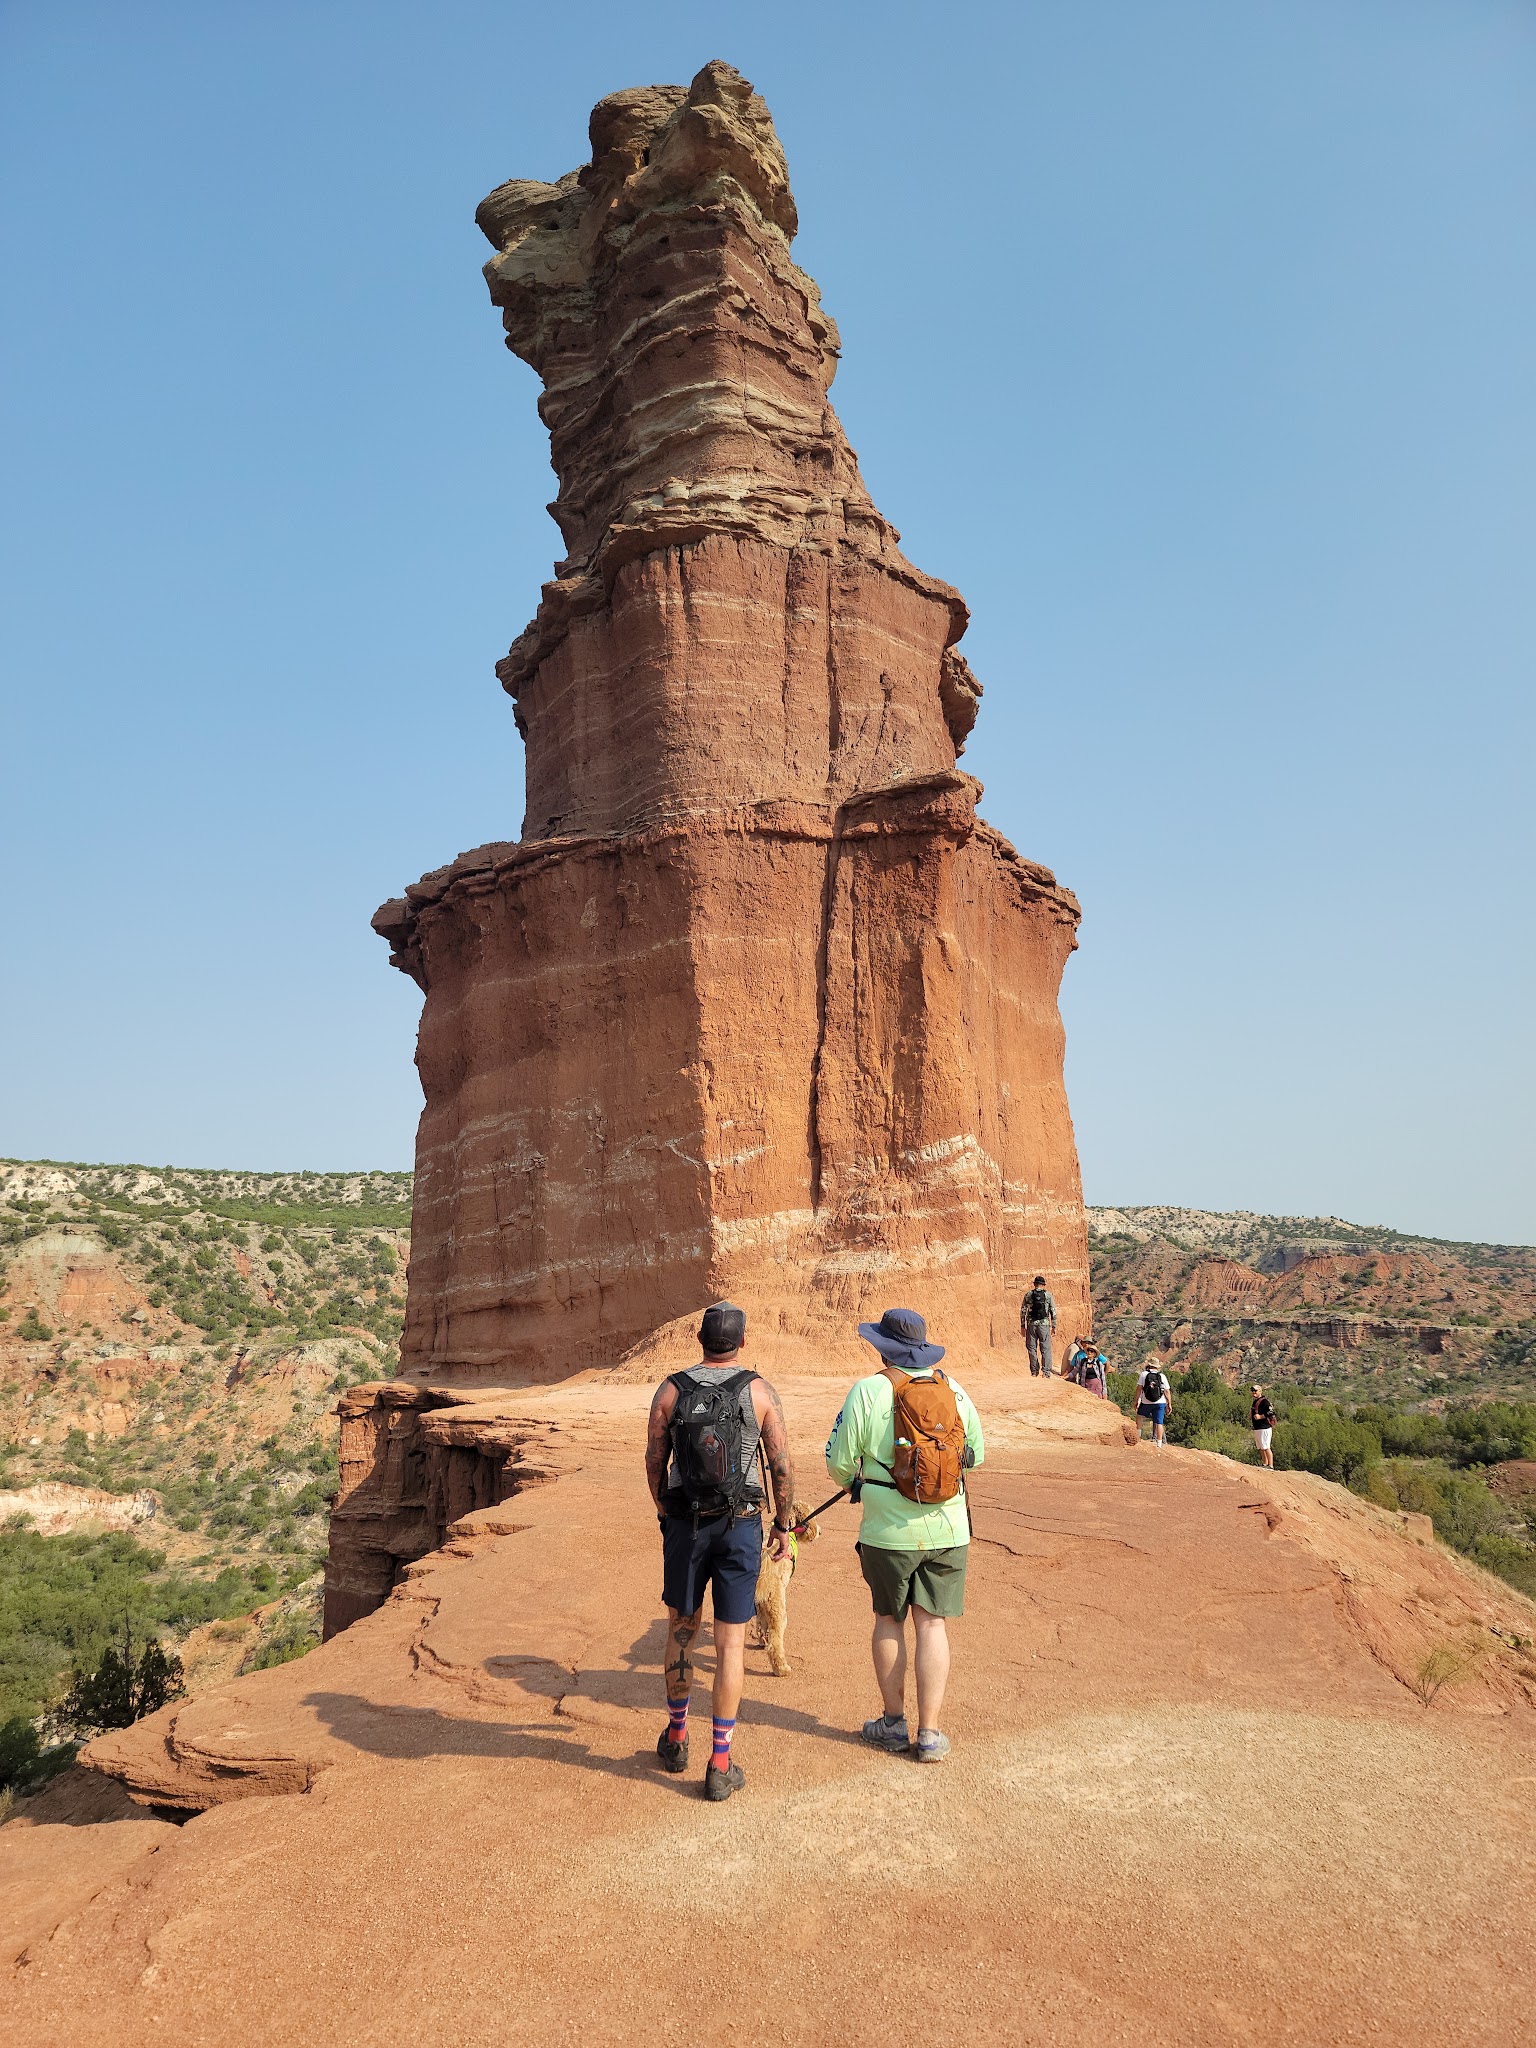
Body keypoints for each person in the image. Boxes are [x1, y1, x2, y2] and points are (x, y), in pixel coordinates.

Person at [645, 1302, 795, 1803]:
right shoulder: (759, 1391)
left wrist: (665, 1511)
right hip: (741, 1525)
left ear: (699, 1338)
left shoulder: (671, 1390)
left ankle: (677, 1736)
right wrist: (783, 1522)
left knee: (682, 1630)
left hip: (686, 1525)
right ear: (743, 1342)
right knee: (730, 1645)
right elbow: (780, 1465)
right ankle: (720, 1761)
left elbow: (654, 1459)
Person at [825, 1307, 985, 1763]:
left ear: (883, 1347)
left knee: (888, 1620)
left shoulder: (868, 1390)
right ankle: (930, 1734)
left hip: (886, 1532)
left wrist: (856, 1483)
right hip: (949, 1526)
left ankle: (893, 1726)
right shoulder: (953, 1388)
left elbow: (838, 1460)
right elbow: (978, 1452)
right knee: (932, 1623)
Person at [1134, 1355, 1172, 1448]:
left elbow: (1139, 1389)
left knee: (1139, 1416)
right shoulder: (1162, 1376)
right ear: (1157, 1366)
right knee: (1159, 1422)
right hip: (1160, 1402)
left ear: (1149, 1365)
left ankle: (1138, 1436)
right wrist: (1169, 1404)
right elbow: (1167, 1391)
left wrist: (1136, 1401)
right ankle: (1159, 1443)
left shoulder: (1144, 1374)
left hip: (1146, 1401)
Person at [1021, 1275, 1056, 1377]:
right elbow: (1053, 1311)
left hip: (1031, 1325)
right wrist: (1054, 1326)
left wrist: (1023, 1325)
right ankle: (1046, 1372)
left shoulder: (1028, 1295)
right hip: (1044, 1325)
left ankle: (1034, 1371)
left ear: (1034, 1284)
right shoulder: (1048, 1295)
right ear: (1043, 1285)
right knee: (1045, 1348)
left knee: (1032, 1348)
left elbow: (1023, 1311)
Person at [1250, 1383, 1276, 1468]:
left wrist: (1261, 1416)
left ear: (1260, 1391)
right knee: (1261, 1447)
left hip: (1264, 1428)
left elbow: (1271, 1412)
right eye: (1252, 1391)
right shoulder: (1255, 1401)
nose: (1254, 1392)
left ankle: (1270, 1465)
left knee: (1266, 1447)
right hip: (1257, 1427)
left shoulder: (1265, 1401)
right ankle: (1265, 1464)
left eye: (1255, 1391)